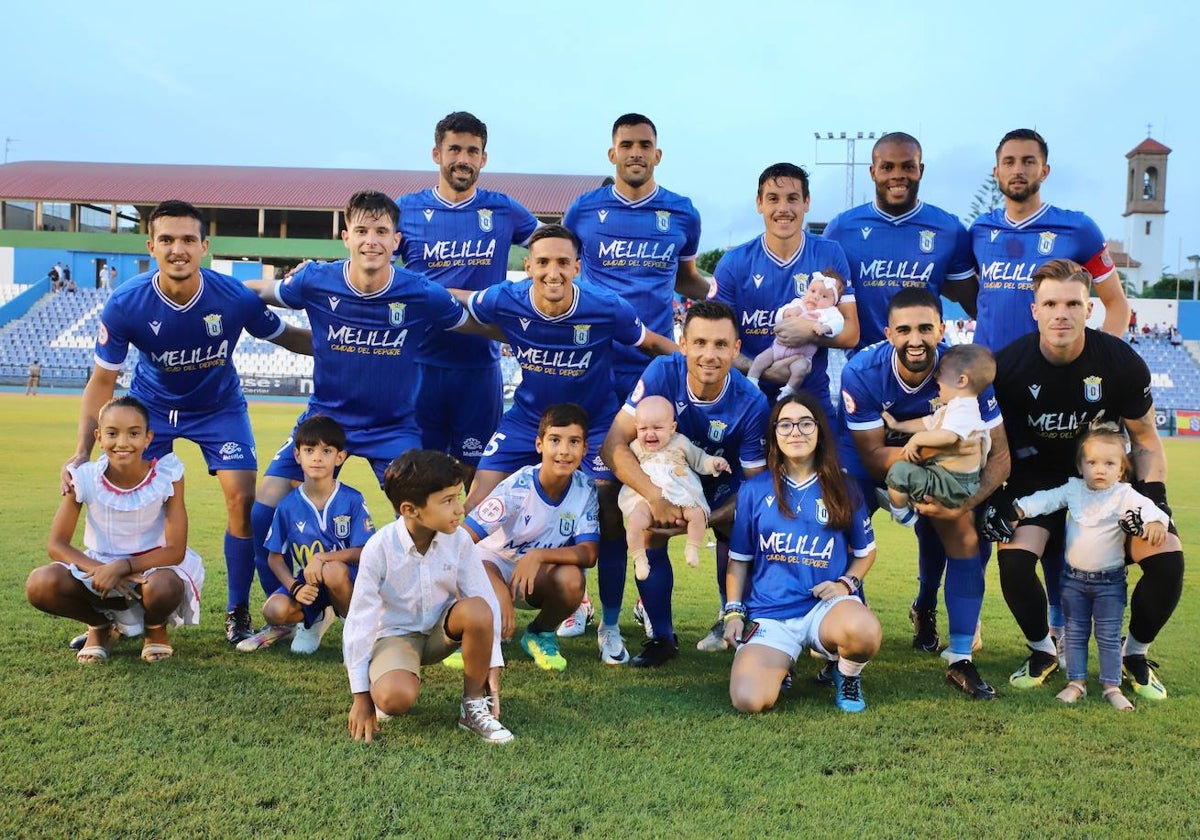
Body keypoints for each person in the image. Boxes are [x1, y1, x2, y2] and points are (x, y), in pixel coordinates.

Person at [60, 200, 310, 645]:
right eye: (169, 240)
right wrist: (83, 448)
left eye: (189, 240)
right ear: (151, 245)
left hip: (219, 408)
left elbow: (287, 337)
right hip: (151, 409)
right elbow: (102, 382)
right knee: (129, 503)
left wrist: (342, 341)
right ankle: (115, 612)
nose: (179, 249)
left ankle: (237, 609)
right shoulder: (126, 303)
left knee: (242, 500)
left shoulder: (233, 298)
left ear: (205, 247)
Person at [247, 191, 474, 631]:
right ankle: (297, 607)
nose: (372, 240)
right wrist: (211, 288)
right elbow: (265, 292)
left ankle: (424, 612)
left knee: (425, 515)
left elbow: (470, 319)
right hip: (326, 422)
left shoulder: (420, 292)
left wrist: (528, 327)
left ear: (396, 240)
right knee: (263, 509)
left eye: (382, 232)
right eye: (363, 231)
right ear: (346, 236)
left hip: (393, 428)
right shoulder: (314, 279)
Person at [462, 224, 678, 664]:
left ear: (577, 267)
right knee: (473, 506)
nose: (553, 271)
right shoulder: (504, 297)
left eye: (563, 262)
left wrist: (699, 365)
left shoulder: (605, 307)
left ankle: (610, 625)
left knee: (610, 511)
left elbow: (652, 342)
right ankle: (464, 615)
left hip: (596, 424)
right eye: (543, 262)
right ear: (529, 267)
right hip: (526, 421)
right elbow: (461, 302)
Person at [983, 258, 1184, 700]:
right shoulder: (1009, 368)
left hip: (1105, 486)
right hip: (1037, 485)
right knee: (1014, 561)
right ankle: (1042, 651)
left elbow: (1146, 440)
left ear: (1089, 309)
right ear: (1034, 309)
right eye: (1050, 303)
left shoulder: (1120, 363)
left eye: (1072, 303)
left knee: (1167, 556)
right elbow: (997, 447)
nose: (1062, 313)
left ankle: (1135, 654)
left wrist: (1156, 500)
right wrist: (998, 497)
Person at [564, 114, 709, 644]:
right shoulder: (585, 209)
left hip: (656, 370)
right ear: (611, 154)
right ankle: (588, 607)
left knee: (660, 485)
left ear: (658, 154)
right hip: (595, 368)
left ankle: (650, 609)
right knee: (600, 494)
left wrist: (717, 295)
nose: (635, 153)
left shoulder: (681, 212)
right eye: (626, 145)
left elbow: (689, 276)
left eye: (645, 145)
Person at [838, 288, 1009, 698]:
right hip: (872, 467)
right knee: (840, 523)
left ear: (942, 329)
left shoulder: (965, 371)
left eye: (925, 328)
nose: (916, 339)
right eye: (905, 330)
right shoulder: (862, 371)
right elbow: (876, 455)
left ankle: (960, 655)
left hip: (933, 467)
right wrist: (939, 451)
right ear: (888, 333)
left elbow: (1000, 456)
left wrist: (964, 502)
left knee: (964, 534)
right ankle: (844, 642)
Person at [602, 300, 771, 665]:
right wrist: (654, 497)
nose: (709, 355)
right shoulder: (662, 371)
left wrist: (708, 516)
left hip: (720, 485)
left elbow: (758, 487)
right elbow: (612, 444)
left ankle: (735, 621)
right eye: (700, 343)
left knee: (745, 527)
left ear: (736, 349)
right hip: (665, 478)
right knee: (644, 528)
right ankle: (662, 638)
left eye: (721, 345)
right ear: (683, 343)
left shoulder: (752, 402)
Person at [398, 111, 539, 488]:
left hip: (479, 368)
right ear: (436, 154)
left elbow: (553, 248)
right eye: (454, 149)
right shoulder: (406, 210)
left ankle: (468, 549)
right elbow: (369, 258)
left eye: (472, 151)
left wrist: (526, 297)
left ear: (484, 159)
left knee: (477, 479)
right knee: (416, 476)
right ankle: (412, 549)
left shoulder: (504, 209)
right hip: (419, 366)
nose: (463, 158)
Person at [723, 393, 881, 714]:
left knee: (864, 631)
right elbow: (738, 560)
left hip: (825, 608)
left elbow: (866, 552)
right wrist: (734, 611)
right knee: (748, 700)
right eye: (786, 425)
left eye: (806, 423)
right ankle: (784, 662)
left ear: (820, 430)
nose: (796, 432)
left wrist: (846, 585)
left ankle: (846, 674)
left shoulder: (844, 487)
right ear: (774, 435)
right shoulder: (755, 490)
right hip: (772, 613)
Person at [343, 450, 510, 744]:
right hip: (396, 636)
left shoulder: (458, 540)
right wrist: (360, 696)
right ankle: (386, 675)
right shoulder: (379, 548)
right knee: (394, 700)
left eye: (458, 496)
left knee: (478, 609)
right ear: (410, 509)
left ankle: (471, 706)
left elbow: (483, 598)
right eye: (448, 501)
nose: (460, 509)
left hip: (440, 632)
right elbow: (360, 622)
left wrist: (492, 662)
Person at [29, 396, 205, 663]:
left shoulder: (169, 475)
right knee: (40, 584)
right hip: (97, 568)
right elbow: (57, 544)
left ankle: (155, 628)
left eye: (133, 433)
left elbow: (175, 550)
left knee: (166, 585)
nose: (122, 443)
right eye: (112, 433)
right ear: (99, 436)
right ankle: (99, 626)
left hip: (150, 569)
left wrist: (123, 567)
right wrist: (100, 569)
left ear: (148, 438)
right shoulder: (84, 476)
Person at [1006, 423, 1169, 711]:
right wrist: (1019, 509)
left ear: (1121, 469)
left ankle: (1111, 686)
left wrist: (1156, 522)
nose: (1100, 470)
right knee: (1076, 633)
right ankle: (1076, 683)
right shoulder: (1074, 489)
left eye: (1109, 464)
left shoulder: (1125, 494)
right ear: (1080, 466)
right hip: (1074, 582)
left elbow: (1149, 508)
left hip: (1110, 583)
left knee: (1107, 636)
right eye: (1091, 462)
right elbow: (1045, 500)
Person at [710, 163, 857, 420]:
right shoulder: (734, 263)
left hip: (809, 398)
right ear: (759, 203)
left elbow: (852, 334)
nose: (783, 209)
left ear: (806, 202)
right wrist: (764, 371)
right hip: (746, 397)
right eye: (773, 199)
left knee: (833, 462)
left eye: (792, 198)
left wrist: (810, 333)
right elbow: (716, 341)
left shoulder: (830, 253)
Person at [464, 403, 599, 674]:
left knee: (573, 580)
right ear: (539, 444)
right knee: (480, 577)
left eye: (573, 442)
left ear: (584, 449)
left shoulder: (585, 489)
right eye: (554, 441)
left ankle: (538, 635)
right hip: (491, 564)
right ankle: (460, 635)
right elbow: (464, 538)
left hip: (533, 574)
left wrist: (538, 556)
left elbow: (588, 553)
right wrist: (496, 588)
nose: (563, 451)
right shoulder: (519, 486)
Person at [968, 128, 1131, 353]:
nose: (1017, 170)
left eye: (1028, 162)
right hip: (987, 373)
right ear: (996, 172)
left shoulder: (1078, 229)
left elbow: (1117, 304)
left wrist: (1102, 356)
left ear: (1044, 171)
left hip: (1051, 373)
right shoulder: (980, 229)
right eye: (1009, 162)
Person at [823, 132, 977, 350]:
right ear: (873, 172)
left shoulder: (949, 229)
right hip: (862, 365)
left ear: (920, 170)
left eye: (907, 167)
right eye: (887, 167)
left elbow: (975, 304)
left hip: (925, 361)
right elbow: (821, 298)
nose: (898, 175)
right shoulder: (841, 229)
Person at [237, 415, 375, 654]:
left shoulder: (352, 499)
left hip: (348, 581)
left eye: (327, 450)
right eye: (310, 450)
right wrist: (294, 587)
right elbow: (274, 557)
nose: (318, 457)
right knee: (274, 610)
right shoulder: (288, 504)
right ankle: (315, 619)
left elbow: (365, 551)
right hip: (310, 582)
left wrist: (324, 558)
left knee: (332, 570)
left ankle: (354, 630)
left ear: (340, 457)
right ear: (298, 456)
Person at [882, 343, 996, 524]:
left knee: (899, 472)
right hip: (947, 477)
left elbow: (949, 436)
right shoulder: (953, 408)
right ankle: (905, 495)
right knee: (908, 471)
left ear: (961, 381)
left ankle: (902, 513)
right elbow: (928, 423)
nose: (936, 376)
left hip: (954, 483)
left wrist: (916, 440)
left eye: (941, 372)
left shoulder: (965, 408)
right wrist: (897, 425)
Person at [620, 395, 730, 578]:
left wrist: (714, 463)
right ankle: (639, 559)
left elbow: (699, 459)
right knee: (634, 522)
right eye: (643, 428)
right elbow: (626, 467)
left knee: (697, 514)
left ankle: (693, 547)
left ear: (672, 428)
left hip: (680, 492)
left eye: (657, 428)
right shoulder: (635, 447)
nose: (650, 434)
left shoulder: (680, 442)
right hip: (646, 497)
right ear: (636, 429)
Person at [746, 270, 845, 401]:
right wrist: (787, 312)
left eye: (824, 296)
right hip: (777, 350)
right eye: (813, 291)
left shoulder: (829, 313)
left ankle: (788, 391)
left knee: (800, 370)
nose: (815, 297)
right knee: (760, 359)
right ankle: (752, 380)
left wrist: (825, 328)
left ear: (833, 302)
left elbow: (839, 323)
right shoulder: (798, 304)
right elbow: (778, 315)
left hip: (801, 357)